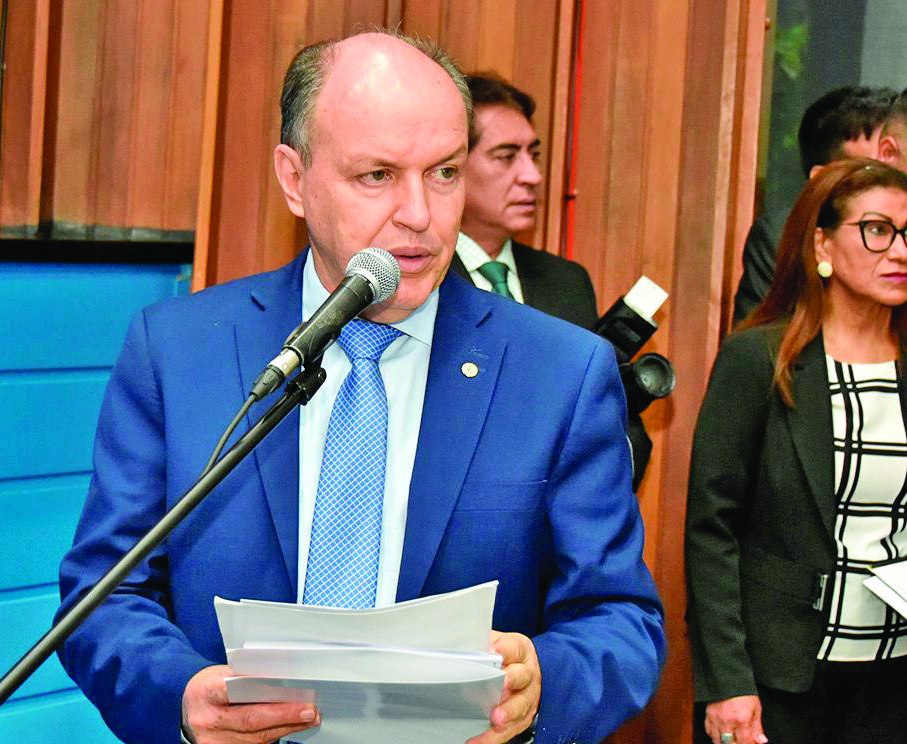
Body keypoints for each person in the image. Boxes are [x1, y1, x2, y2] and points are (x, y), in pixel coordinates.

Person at [57, 30, 664, 744]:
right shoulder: (178, 350)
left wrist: (542, 686)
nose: (419, 214)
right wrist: (181, 698)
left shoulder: (561, 372)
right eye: (377, 175)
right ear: (294, 178)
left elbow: (622, 619)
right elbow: (104, 595)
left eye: (444, 172)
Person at [686, 158, 907, 744]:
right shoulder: (758, 359)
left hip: (894, 682)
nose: (900, 251)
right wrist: (727, 683)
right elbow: (712, 532)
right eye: (877, 230)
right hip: (780, 680)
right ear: (821, 244)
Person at [451, 72, 653, 490]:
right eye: (506, 156)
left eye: (534, 154)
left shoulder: (566, 283)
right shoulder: (420, 283)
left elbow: (615, 418)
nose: (532, 175)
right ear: (451, 167)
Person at [733, 86, 895, 326]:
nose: (892, 182)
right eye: (873, 171)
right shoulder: (782, 237)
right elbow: (756, 340)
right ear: (822, 179)